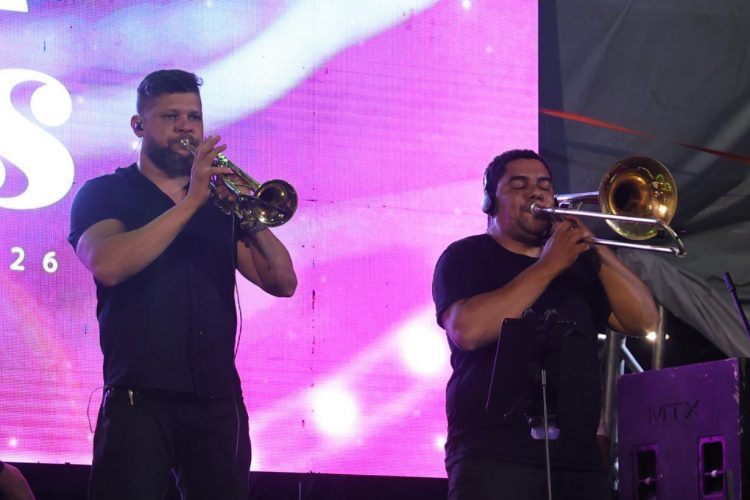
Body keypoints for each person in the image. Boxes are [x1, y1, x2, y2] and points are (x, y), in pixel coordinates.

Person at [68, 69, 297, 500]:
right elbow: (108, 264)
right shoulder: (104, 193)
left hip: (216, 400)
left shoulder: (219, 203)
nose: (186, 128)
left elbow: (283, 282)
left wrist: (248, 213)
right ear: (139, 125)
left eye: (194, 117)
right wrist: (192, 201)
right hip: (138, 399)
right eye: (171, 117)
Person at [431, 149, 658, 500]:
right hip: (494, 455)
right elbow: (468, 331)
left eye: (544, 185)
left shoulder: (580, 266)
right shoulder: (466, 255)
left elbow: (644, 321)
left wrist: (594, 246)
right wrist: (550, 264)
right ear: (490, 202)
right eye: (519, 184)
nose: (536, 192)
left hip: (579, 460)